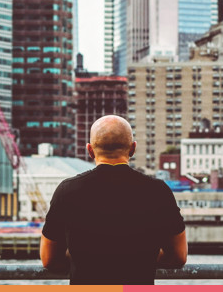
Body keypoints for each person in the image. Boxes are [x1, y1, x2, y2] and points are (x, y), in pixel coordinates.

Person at [40, 115, 187, 284]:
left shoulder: (67, 191)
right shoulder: (158, 191)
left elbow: (49, 259)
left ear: (90, 150)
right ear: (132, 149)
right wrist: (142, 259)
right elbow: (178, 256)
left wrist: (84, 260)